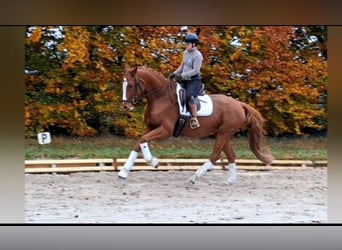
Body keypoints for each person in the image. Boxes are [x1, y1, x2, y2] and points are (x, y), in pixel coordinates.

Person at [169, 32, 203, 129]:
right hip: (184, 79)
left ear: (194, 44)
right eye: (185, 44)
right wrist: (175, 73)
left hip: (194, 81)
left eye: (187, 44)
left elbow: (196, 70)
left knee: (188, 96)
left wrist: (182, 75)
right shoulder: (185, 53)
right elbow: (182, 65)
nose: (186, 45)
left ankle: (194, 118)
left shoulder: (198, 55)